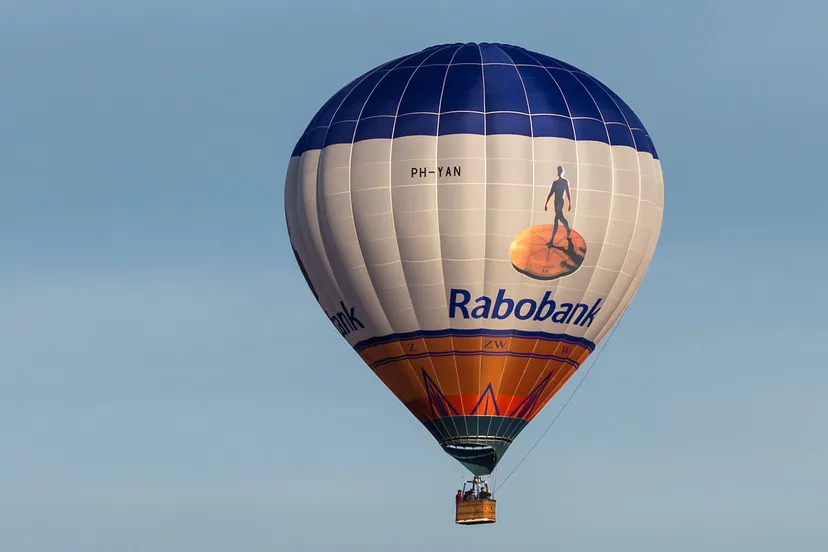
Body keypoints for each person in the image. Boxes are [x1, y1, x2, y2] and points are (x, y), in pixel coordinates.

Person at [544, 165, 572, 246]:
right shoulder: (555, 183)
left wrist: (570, 203)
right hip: (556, 203)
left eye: (559, 170)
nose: (558, 172)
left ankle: (551, 240)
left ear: (561, 172)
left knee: (556, 220)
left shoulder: (564, 182)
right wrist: (546, 203)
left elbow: (567, 192)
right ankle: (568, 230)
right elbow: (551, 193)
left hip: (560, 202)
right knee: (561, 218)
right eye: (558, 170)